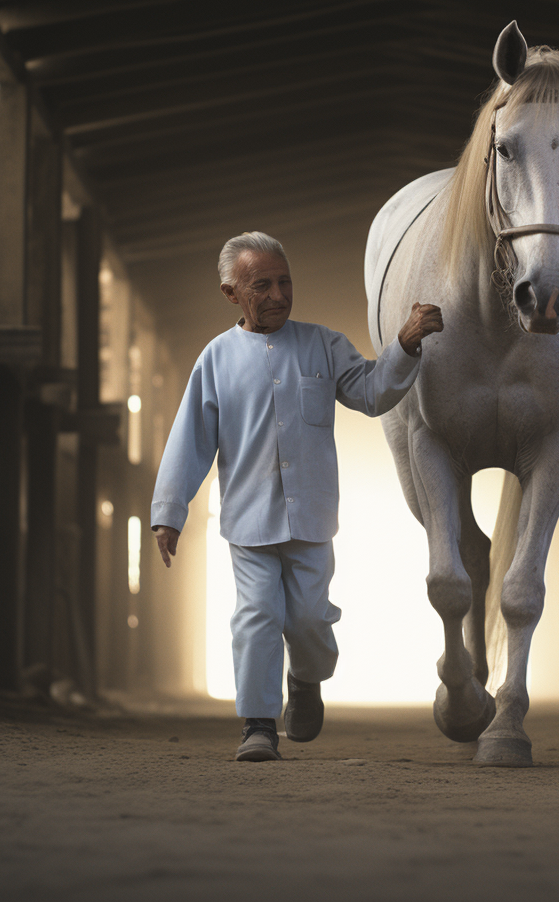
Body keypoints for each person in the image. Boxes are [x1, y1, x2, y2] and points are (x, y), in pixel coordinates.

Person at [150, 231, 442, 761]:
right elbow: (189, 439)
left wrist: (404, 343)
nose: (279, 295)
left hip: (311, 517)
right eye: (262, 285)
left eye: (285, 282)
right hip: (248, 520)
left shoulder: (324, 345)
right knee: (256, 615)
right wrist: (169, 513)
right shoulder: (215, 360)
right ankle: (257, 725)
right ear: (230, 293)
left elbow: (373, 393)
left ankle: (306, 680)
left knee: (309, 620)